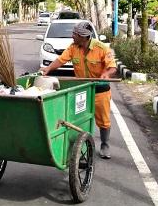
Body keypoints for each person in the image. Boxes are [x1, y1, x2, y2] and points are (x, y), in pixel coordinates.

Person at [39, 21, 117, 159]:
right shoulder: (73, 47)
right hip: (82, 90)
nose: (72, 36)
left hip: (100, 90)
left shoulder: (103, 48)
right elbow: (61, 60)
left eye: (75, 34)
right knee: (79, 119)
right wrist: (48, 68)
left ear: (84, 36)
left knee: (103, 121)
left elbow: (112, 67)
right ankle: (81, 145)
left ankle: (105, 144)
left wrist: (106, 74)